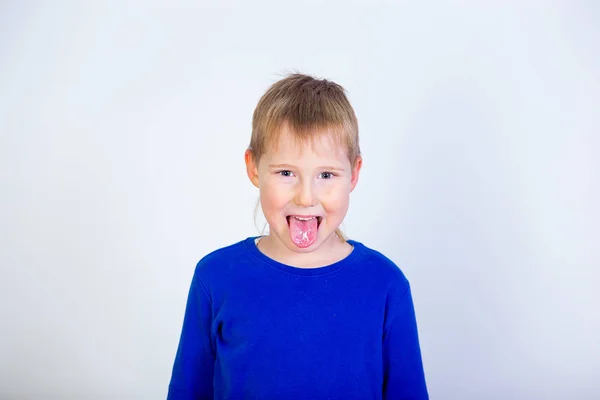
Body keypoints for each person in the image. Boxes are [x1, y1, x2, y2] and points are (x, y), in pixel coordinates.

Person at [167, 73, 428, 399]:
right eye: (286, 173)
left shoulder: (386, 285)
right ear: (253, 168)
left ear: (354, 173)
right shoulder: (215, 277)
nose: (306, 197)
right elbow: (188, 391)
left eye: (326, 174)